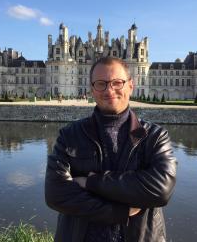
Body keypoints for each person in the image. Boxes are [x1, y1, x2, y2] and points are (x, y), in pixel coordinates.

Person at [45, 57, 177, 242]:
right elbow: (56, 194)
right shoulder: (70, 135)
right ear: (91, 89)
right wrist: (119, 212)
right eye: (101, 84)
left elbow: (160, 190)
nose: (109, 90)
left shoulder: (154, 136)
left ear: (131, 86)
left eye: (117, 83)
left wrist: (90, 182)